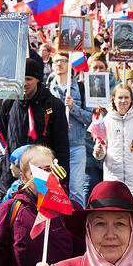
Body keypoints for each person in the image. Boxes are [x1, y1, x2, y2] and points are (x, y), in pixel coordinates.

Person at [0, 59, 70, 197]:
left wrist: (62, 182)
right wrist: (4, 167)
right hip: (13, 174)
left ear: (37, 79)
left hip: (42, 176)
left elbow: (61, 146)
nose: (24, 83)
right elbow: (2, 139)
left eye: (29, 79)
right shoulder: (8, 102)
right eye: (21, 78)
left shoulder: (53, 105)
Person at [46, 50, 91, 208]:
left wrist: (73, 108)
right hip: (54, 148)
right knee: (55, 190)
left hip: (76, 146)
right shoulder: (46, 90)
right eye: (56, 61)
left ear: (69, 63)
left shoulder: (80, 88)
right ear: (52, 66)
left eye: (63, 60)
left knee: (76, 191)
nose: (59, 64)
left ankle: (76, 227)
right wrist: (58, 125)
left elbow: (91, 118)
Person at [92, 82, 133, 193]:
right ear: (114, 99)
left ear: (131, 99)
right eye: (120, 97)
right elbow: (100, 153)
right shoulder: (106, 121)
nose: (123, 101)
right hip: (113, 180)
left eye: (126, 97)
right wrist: (98, 151)